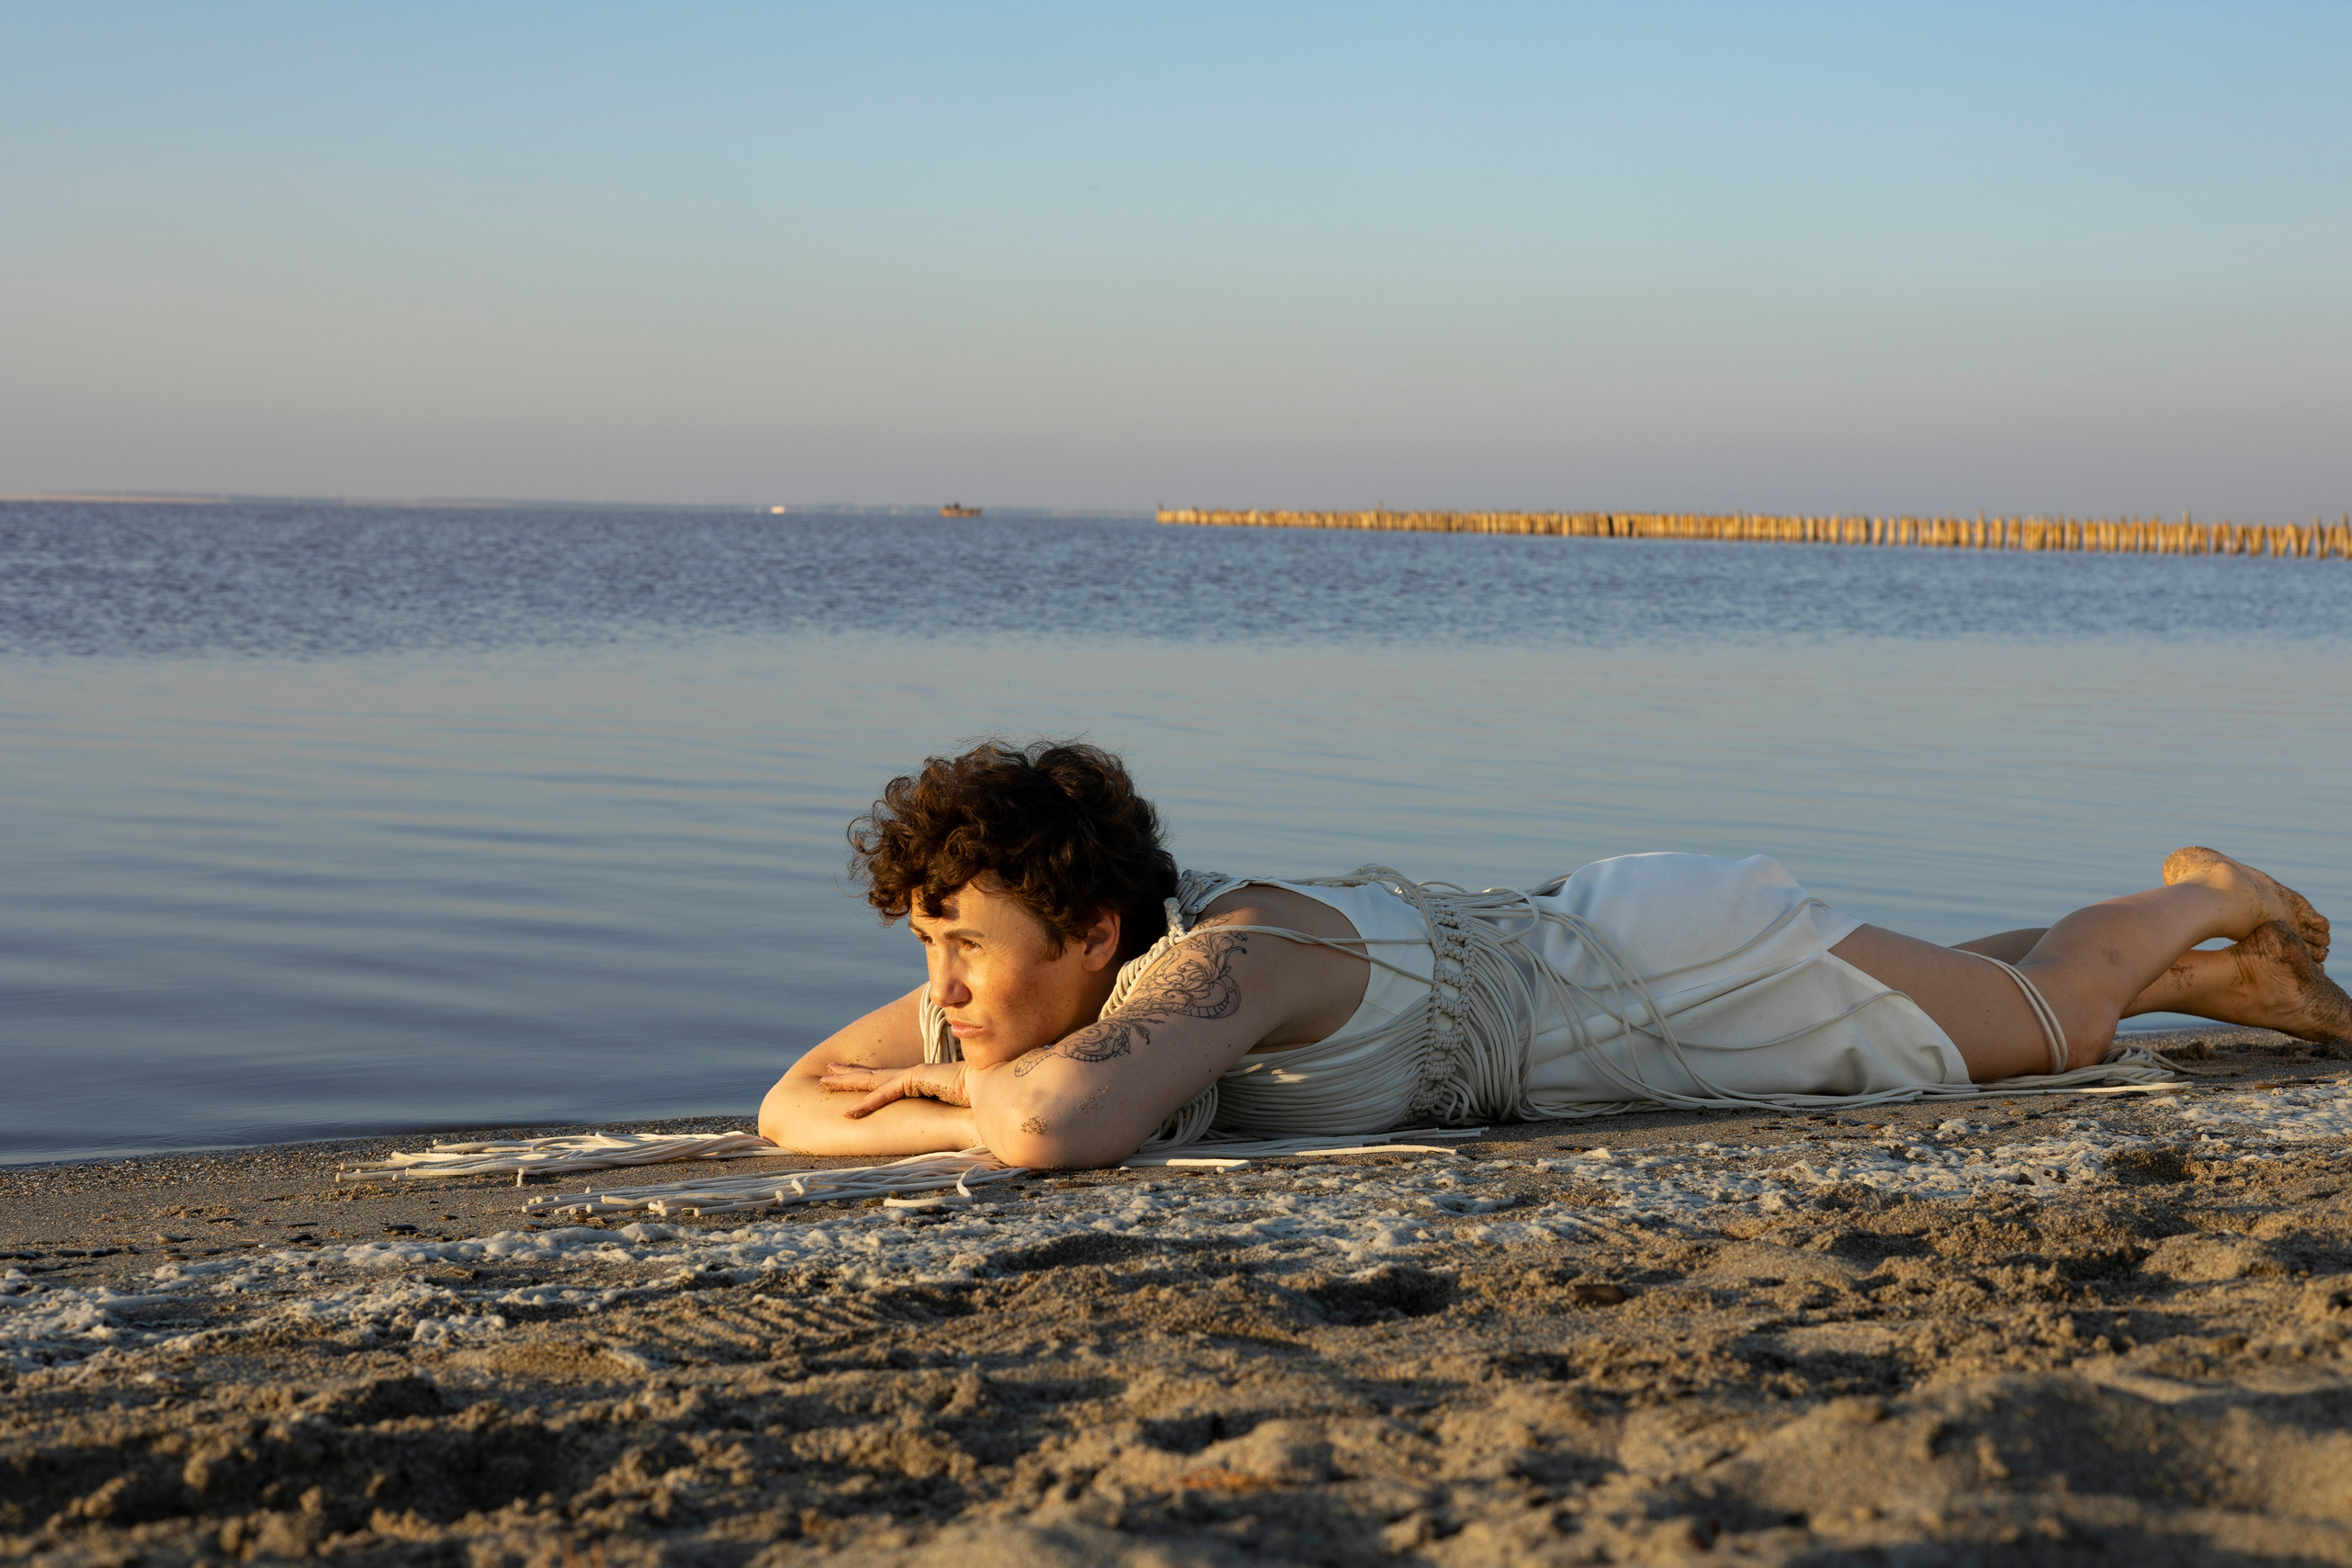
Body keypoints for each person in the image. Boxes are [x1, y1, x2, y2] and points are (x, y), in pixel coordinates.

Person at [758, 739, 2348, 1168]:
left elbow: (1046, 1128)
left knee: (2051, 1023)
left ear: (1097, 932)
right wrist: (938, 1080)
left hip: (1668, 980)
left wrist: (946, 1096)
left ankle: (2208, 901)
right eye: (929, 951)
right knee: (1952, 993)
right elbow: (793, 1101)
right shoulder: (1049, 995)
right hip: (1612, 981)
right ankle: (2214, 984)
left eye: (964, 949)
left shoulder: (1213, 969)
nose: (944, 995)